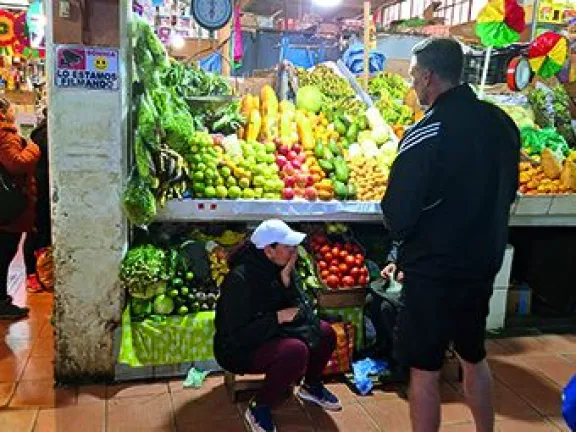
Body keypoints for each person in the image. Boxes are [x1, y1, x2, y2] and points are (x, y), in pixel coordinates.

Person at [380, 37, 520, 432]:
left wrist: (399, 247)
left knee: (424, 369)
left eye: (413, 77)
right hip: (482, 263)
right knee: (473, 355)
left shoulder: (426, 131)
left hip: (434, 271)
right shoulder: (502, 124)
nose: (413, 86)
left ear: (428, 77)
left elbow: (398, 212)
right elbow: (510, 191)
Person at [214, 219, 341, 432]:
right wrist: (276, 318)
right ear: (268, 250)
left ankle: (311, 385)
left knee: (325, 333)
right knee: (295, 351)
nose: (293, 252)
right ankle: (259, 406)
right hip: (239, 347)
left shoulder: (283, 266)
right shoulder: (240, 279)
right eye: (288, 247)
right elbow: (236, 334)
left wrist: (286, 280)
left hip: (273, 332)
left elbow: (302, 308)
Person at [0, 97, 40, 319]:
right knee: (4, 251)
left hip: (5, 204)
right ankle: (1, 303)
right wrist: (33, 149)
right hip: (8, 205)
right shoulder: (5, 135)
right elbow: (16, 163)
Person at [24, 107, 50, 293]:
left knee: (41, 233)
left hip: (43, 190)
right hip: (40, 191)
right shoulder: (45, 134)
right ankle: (32, 274)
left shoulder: (42, 132)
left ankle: (42, 273)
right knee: (36, 233)